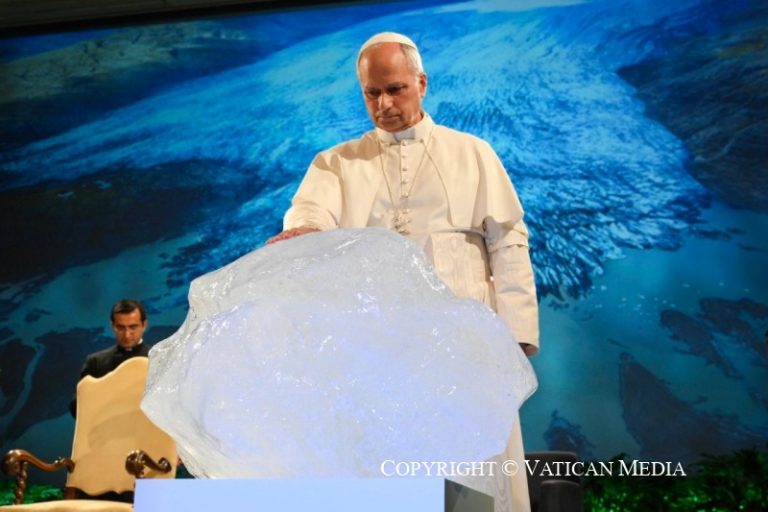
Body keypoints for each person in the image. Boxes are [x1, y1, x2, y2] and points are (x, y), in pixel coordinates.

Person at [268, 32, 539, 512]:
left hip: (465, 345)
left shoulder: (473, 153)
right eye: (372, 93)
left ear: (421, 83)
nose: (384, 105)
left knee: (476, 483)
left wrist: (515, 338)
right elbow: (310, 212)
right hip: (380, 351)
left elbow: (509, 243)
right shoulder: (337, 162)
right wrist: (306, 230)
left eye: (395, 89)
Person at [69, 299, 150, 417]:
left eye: (133, 327)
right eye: (121, 328)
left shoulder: (158, 360)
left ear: (144, 325)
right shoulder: (95, 362)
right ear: (113, 326)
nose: (127, 334)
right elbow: (77, 408)